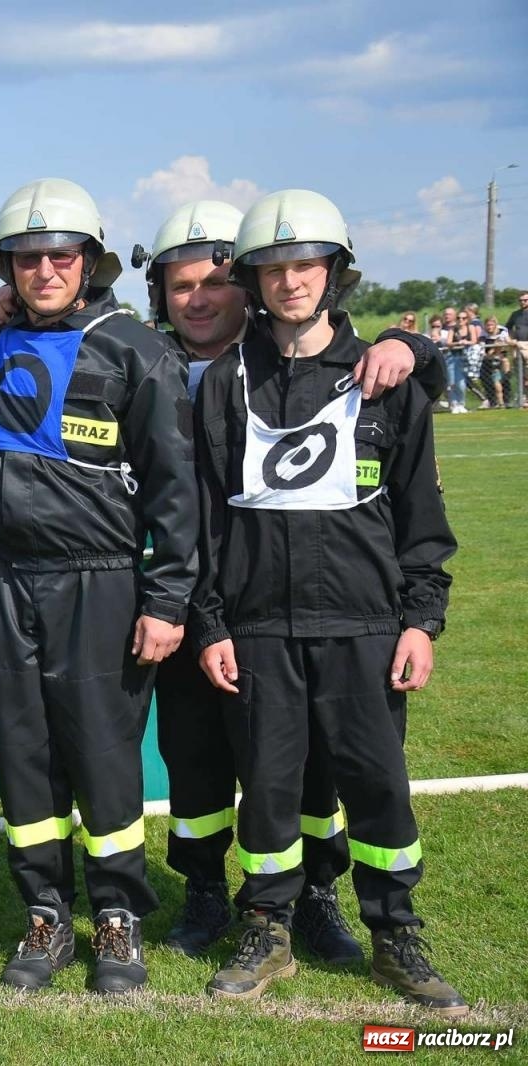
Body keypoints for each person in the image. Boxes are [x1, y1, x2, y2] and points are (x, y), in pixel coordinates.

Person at [129, 201, 441, 962]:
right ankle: (209, 895)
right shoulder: (152, 362)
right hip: (199, 611)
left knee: (322, 775)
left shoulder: (355, 372)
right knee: (202, 769)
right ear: (158, 297)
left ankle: (319, 901)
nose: (199, 299)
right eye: (180, 287)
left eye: (215, 283)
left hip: (320, 619)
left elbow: (415, 498)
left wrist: (411, 344)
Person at [193, 190, 466, 1017]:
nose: (290, 282)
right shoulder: (223, 384)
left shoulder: (388, 379)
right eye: (272, 269)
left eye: (306, 264)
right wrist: (210, 622)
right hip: (260, 629)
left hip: (366, 628)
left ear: (335, 272)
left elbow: (422, 517)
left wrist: (421, 620)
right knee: (269, 791)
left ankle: (395, 933)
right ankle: (268, 927)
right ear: (252, 281)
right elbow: (203, 521)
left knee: (380, 788)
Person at [0, 178, 197, 994]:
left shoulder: (136, 348)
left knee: (103, 753)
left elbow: (176, 492)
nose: (44, 270)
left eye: (60, 255)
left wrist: (168, 600)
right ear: (6, 265)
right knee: (25, 755)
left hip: (102, 580)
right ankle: (45, 912)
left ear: (90, 260)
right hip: (11, 578)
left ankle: (117, 918)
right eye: (27, 257)